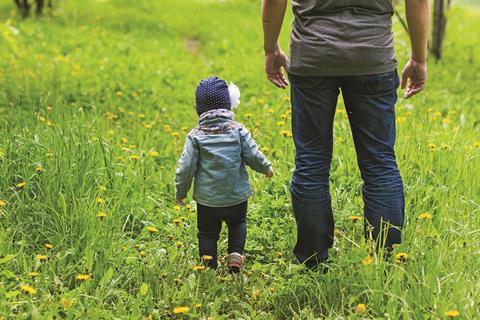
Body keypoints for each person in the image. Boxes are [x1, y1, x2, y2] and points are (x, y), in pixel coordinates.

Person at [261, 0, 429, 268]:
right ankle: (384, 261)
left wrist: (270, 49)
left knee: (311, 160)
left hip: (312, 55)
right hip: (372, 56)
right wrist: (419, 58)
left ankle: (313, 261)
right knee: (380, 163)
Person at [175, 76, 274, 273]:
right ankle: (235, 256)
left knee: (207, 233)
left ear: (199, 109)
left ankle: (208, 265)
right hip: (236, 196)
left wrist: (181, 190)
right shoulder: (237, 130)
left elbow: (186, 167)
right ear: (229, 105)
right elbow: (252, 153)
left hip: (208, 200)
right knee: (238, 223)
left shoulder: (195, 135)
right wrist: (266, 168)